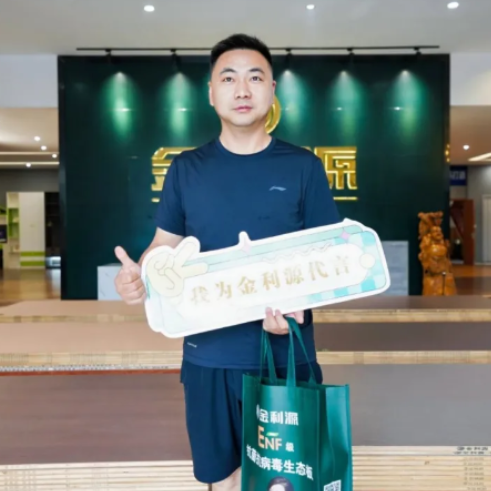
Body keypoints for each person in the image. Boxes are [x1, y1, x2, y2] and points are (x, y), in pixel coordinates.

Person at [113, 34, 341, 491]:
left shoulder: (303, 167)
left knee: (288, 482)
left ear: (271, 90)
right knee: (223, 481)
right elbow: (163, 246)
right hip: (208, 356)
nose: (242, 90)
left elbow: (328, 257)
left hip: (286, 355)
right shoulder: (186, 169)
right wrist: (141, 275)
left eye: (255, 78)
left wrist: (300, 303)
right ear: (211, 93)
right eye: (229, 78)